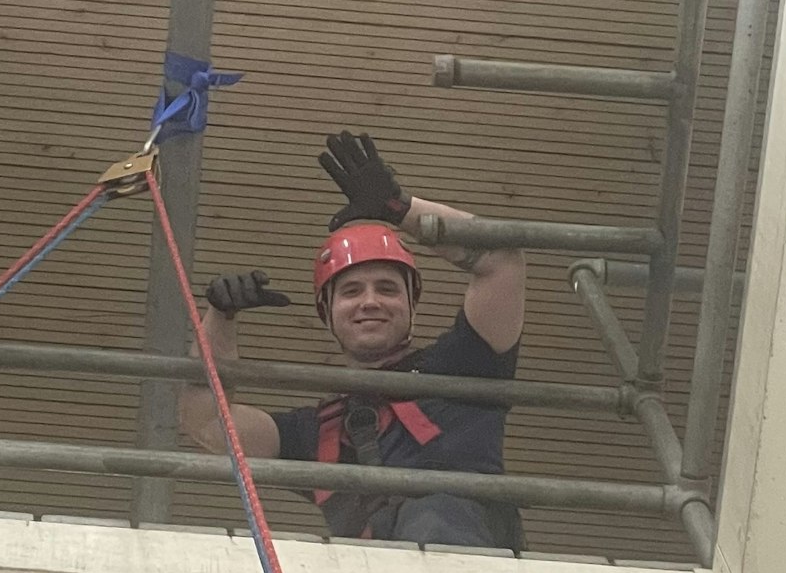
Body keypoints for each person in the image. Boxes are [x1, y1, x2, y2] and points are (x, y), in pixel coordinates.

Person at [178, 131, 527, 551]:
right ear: (328, 313)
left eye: (387, 288)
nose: (370, 302)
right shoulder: (316, 431)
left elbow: (501, 257)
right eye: (351, 291)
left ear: (411, 306)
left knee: (435, 517)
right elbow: (207, 425)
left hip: (464, 570)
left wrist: (401, 209)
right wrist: (220, 317)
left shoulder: (462, 367)